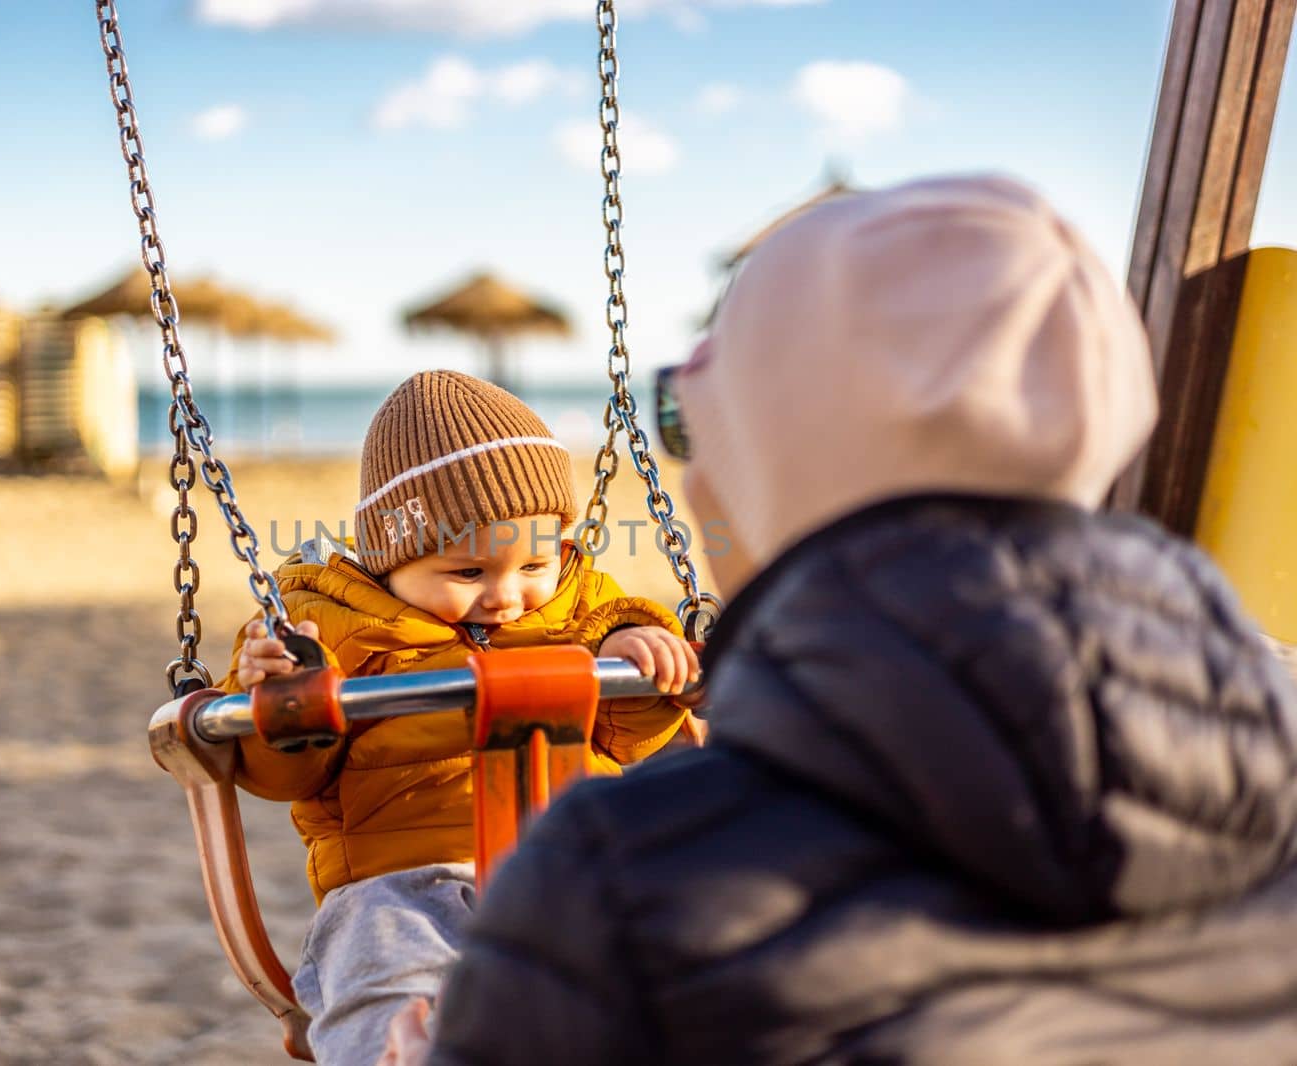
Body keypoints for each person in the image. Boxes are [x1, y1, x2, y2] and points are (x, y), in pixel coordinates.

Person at [385, 175, 1297, 1064]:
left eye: (692, 423)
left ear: (773, 465)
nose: (690, 476)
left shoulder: (620, 883)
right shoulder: (1273, 763)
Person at [221, 369, 698, 1066]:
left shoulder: (580, 609)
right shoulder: (328, 628)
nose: (506, 597)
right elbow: (286, 775)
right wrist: (282, 692)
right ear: (391, 558)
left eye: (534, 562)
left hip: (572, 865)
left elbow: (626, 736)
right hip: (399, 884)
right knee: (386, 988)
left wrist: (635, 651)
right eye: (468, 574)